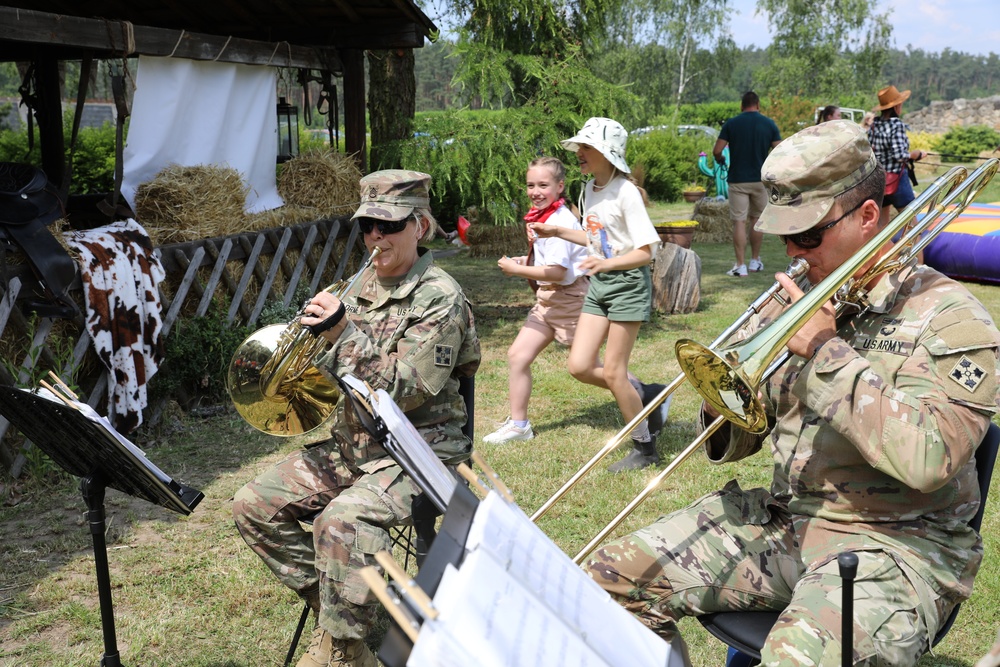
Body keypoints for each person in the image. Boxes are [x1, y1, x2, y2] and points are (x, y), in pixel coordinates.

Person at [585, 121, 1000, 665]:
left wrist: (826, 355)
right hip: (789, 520)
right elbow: (745, 439)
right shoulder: (797, 299)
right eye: (784, 235)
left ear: (869, 217)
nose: (793, 253)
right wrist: (724, 403)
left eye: (807, 236)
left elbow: (931, 459)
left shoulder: (948, 319)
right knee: (601, 586)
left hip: (900, 546)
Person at [233, 170, 480, 667]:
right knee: (252, 506)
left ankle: (343, 651)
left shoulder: (441, 297)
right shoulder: (355, 285)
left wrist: (341, 332)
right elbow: (332, 380)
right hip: (356, 444)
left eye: (388, 226)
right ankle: (354, 626)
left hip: (420, 451)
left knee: (341, 522)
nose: (375, 237)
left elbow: (406, 389)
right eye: (367, 226)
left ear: (421, 227)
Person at [530, 117, 667, 473]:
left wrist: (607, 265)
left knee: (615, 372)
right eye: (580, 147)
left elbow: (647, 251)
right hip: (602, 285)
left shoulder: (626, 194)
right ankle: (647, 395)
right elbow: (595, 240)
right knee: (578, 366)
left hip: (626, 286)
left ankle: (645, 449)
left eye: (587, 147)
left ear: (608, 153)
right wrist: (556, 231)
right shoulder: (589, 189)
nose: (580, 153)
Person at [484, 156, 590, 444]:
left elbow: (558, 272)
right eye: (531, 185)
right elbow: (548, 262)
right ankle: (520, 426)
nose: (535, 191)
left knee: (589, 368)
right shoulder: (541, 216)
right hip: (547, 300)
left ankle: (647, 394)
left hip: (570, 300)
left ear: (559, 186)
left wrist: (517, 270)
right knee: (518, 356)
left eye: (543, 185)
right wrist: (526, 260)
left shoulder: (559, 220)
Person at [713, 91, 782, 277]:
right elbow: (780, 149)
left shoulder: (732, 124)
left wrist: (720, 160)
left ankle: (740, 265)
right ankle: (755, 261)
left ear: (741, 106)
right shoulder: (769, 124)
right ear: (758, 105)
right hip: (760, 180)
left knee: (739, 222)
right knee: (757, 220)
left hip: (737, 180)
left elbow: (717, 150)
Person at [868, 84, 927, 226]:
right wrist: (916, 154)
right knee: (912, 225)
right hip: (896, 179)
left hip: (878, 179)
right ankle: (916, 249)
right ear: (896, 107)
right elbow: (899, 155)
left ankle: (883, 249)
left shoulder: (874, 125)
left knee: (881, 227)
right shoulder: (897, 125)